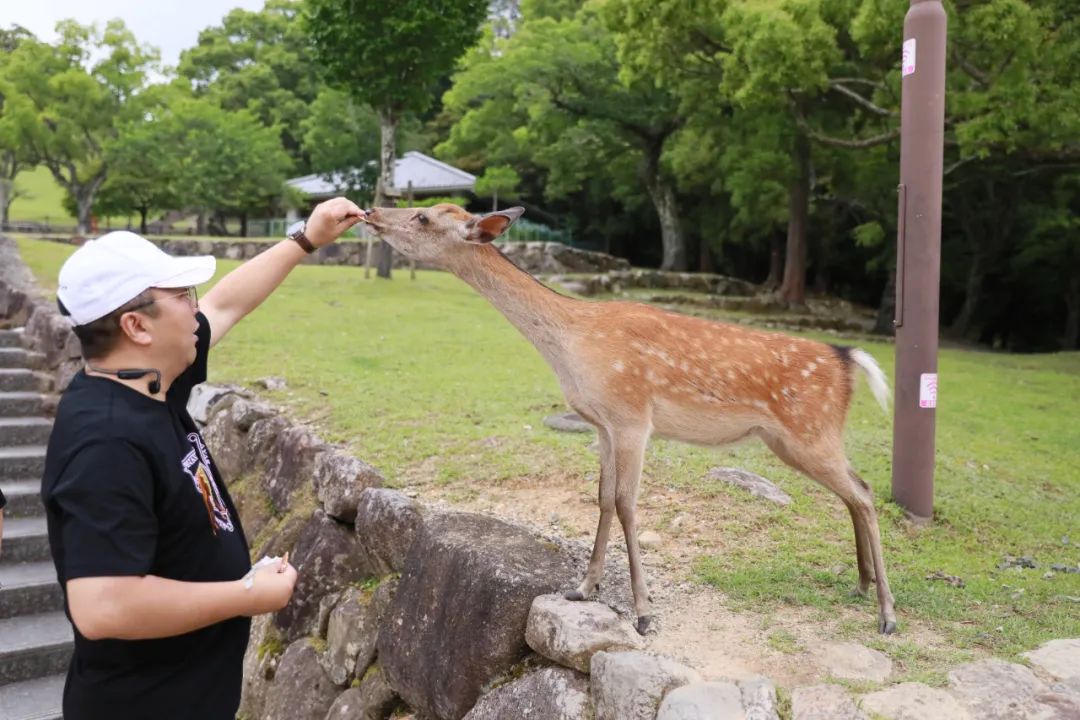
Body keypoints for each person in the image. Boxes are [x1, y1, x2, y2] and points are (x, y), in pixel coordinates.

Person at [40, 197, 365, 720]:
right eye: (181, 296)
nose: (196, 307)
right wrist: (244, 594)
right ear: (136, 327)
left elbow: (226, 305)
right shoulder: (104, 442)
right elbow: (103, 606)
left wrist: (307, 238)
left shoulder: (149, 383)